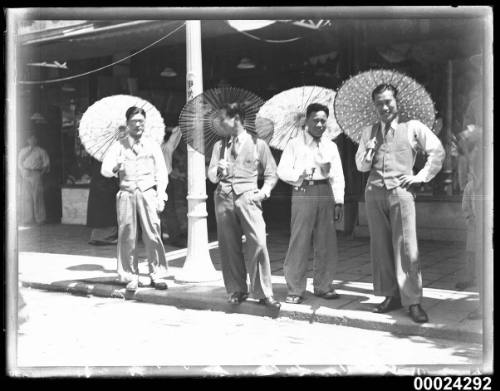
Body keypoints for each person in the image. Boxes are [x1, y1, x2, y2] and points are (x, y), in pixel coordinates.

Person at [355, 83, 445, 324]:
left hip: (401, 191)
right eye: (379, 103)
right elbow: (360, 167)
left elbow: (437, 152)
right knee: (380, 247)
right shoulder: (368, 132)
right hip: (374, 192)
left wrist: (419, 177)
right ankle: (390, 296)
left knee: (406, 247)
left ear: (397, 102)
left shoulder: (413, 127)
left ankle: (412, 301)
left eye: (388, 102)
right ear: (375, 106)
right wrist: (368, 153)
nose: (384, 107)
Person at [207, 102, 280, 309]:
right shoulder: (219, 146)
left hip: (249, 197)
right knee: (229, 246)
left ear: (236, 118)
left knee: (258, 242)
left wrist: (264, 192)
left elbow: (271, 173)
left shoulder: (259, 144)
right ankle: (236, 290)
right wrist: (218, 171)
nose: (220, 123)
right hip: (223, 197)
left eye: (223, 119)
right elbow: (211, 176)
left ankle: (264, 292)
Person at [277, 103, 345, 304]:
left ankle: (323, 286)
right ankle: (295, 289)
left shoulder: (331, 146)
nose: (319, 124)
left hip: (326, 192)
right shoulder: (294, 144)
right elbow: (282, 171)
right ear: (306, 121)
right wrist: (300, 174)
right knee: (300, 239)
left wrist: (339, 201)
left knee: (326, 241)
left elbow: (338, 175)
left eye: (323, 120)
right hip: (303, 190)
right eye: (315, 120)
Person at [101, 106, 169, 292]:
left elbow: (162, 172)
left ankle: (157, 274)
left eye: (141, 121)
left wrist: (161, 195)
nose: (138, 125)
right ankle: (130, 275)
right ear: (127, 123)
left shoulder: (153, 144)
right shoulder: (118, 145)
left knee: (153, 232)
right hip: (126, 192)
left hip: (147, 192)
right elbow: (105, 170)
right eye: (134, 121)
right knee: (127, 235)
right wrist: (116, 166)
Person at [160, 125, 186, 247]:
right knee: (169, 210)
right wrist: (167, 129)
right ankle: (174, 237)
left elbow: (178, 129)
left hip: (160, 180)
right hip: (164, 180)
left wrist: (163, 128)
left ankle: (160, 237)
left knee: (165, 210)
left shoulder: (165, 147)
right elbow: (178, 129)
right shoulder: (166, 147)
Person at [18, 132, 50, 225]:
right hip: (25, 173)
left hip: (36, 173)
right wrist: (22, 171)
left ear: (36, 140)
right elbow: (19, 163)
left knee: (38, 197)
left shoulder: (41, 151)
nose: (32, 140)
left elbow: (46, 163)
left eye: (34, 138)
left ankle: (40, 218)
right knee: (26, 197)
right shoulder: (23, 151)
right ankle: (27, 219)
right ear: (27, 140)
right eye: (30, 139)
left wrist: (41, 173)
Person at [87, 157, 119, 245]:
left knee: (100, 215)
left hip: (99, 185)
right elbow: (110, 171)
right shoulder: (109, 157)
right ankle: (106, 237)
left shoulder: (97, 157)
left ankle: (97, 237)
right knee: (108, 213)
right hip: (107, 186)